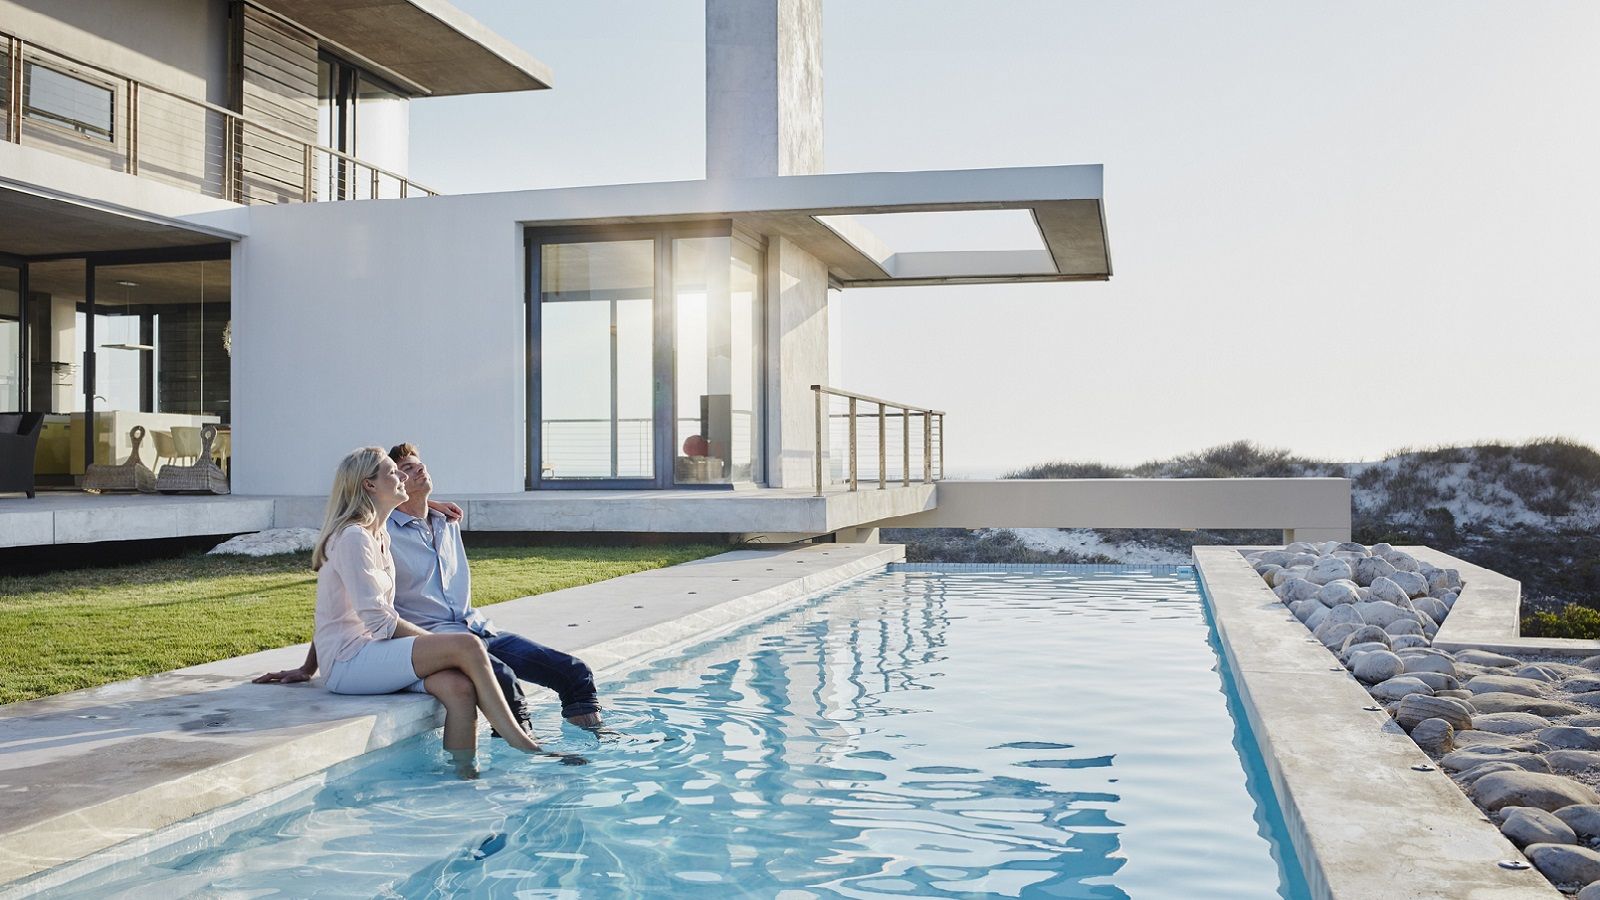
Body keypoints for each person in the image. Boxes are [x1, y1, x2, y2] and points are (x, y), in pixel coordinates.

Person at [258, 443, 604, 736]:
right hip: (432, 638)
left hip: (476, 628)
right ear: (383, 482)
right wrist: (309, 667)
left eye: (417, 464)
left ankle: (594, 746)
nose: (417, 469)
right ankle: (521, 766)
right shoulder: (376, 532)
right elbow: (346, 605)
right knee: (504, 680)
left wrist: (429, 507)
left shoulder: (446, 521)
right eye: (403, 468)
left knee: (575, 672)